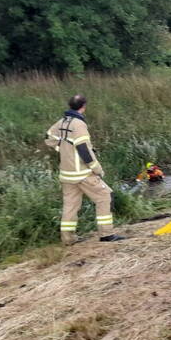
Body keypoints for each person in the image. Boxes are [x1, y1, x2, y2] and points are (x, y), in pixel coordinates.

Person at [44, 95, 124, 244]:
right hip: (82, 174)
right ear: (83, 107)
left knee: (70, 205)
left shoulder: (61, 122)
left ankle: (68, 239)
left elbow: (48, 137)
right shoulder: (79, 125)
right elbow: (84, 150)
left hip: (66, 175)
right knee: (104, 196)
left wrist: (62, 150)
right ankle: (106, 234)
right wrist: (97, 169)